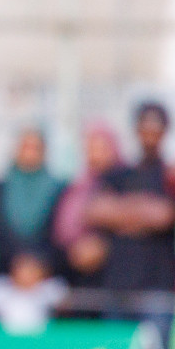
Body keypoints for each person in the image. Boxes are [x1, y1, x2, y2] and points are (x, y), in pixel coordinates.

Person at [86, 101, 175, 347]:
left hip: (157, 288)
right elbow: (96, 211)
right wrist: (143, 212)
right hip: (118, 285)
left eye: (156, 128)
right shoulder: (118, 173)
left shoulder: (173, 176)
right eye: (145, 127)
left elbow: (164, 216)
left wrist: (122, 212)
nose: (150, 134)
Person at [51, 122, 122, 313]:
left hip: (112, 283)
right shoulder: (74, 188)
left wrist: (103, 247)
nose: (95, 155)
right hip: (75, 278)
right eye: (90, 148)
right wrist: (74, 250)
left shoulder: (124, 183)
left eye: (101, 149)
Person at [0, 128, 64, 276]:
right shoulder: (1, 188)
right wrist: (18, 264)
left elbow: (56, 233)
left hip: (46, 272)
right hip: (7, 270)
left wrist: (38, 266)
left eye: (35, 148)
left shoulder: (58, 189)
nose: (30, 153)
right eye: (25, 147)